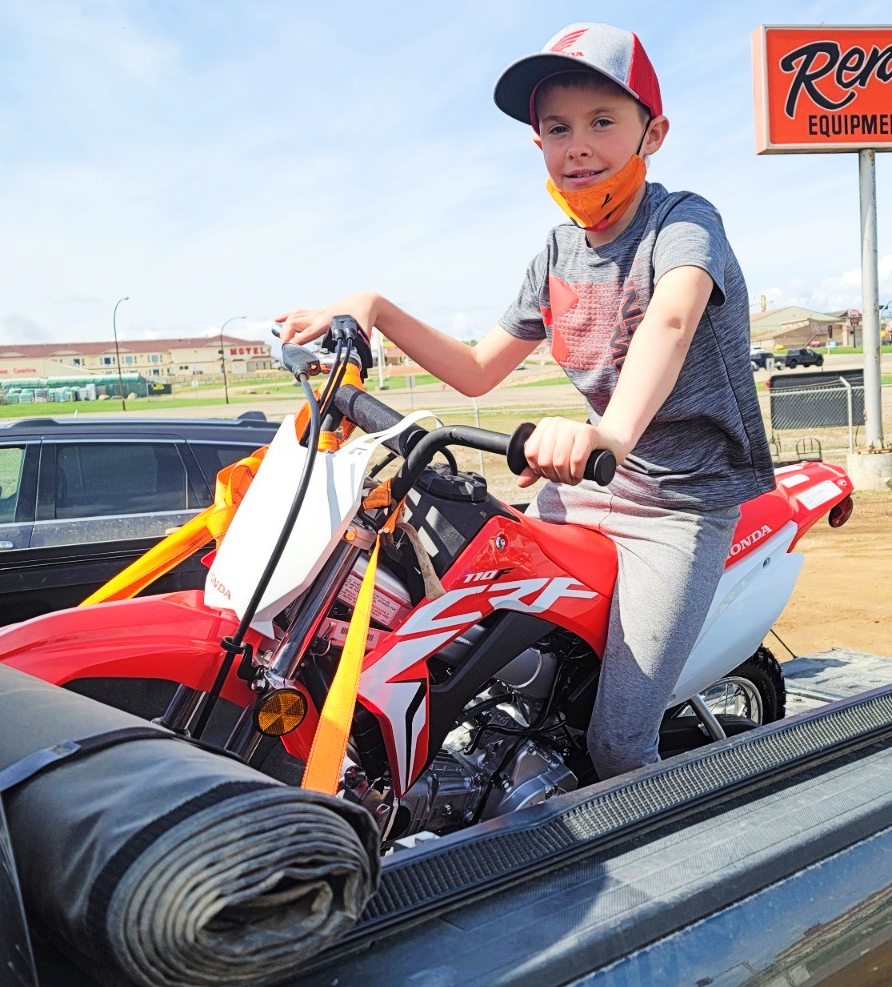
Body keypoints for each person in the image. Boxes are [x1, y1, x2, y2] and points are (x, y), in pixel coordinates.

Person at [276, 22, 773, 780]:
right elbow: (478, 371)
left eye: (603, 122)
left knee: (618, 744)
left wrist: (606, 433)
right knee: (492, 659)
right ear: (536, 143)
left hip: (677, 504)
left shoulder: (683, 223)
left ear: (655, 131)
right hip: (582, 486)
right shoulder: (554, 253)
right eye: (557, 127)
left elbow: (671, 322)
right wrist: (374, 306)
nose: (578, 145)